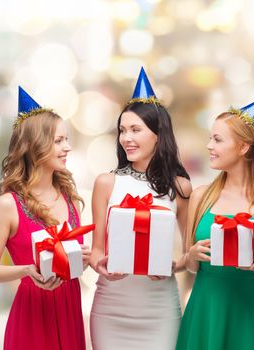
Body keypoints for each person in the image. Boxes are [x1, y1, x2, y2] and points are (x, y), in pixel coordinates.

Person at [176, 89, 254, 350]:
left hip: (250, 309)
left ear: (243, 147)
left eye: (217, 140)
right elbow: (191, 265)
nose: (209, 146)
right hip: (206, 307)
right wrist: (193, 255)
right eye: (210, 138)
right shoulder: (200, 196)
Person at [89, 68, 192, 350]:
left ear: (158, 135)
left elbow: (191, 256)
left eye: (136, 129)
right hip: (111, 308)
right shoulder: (106, 183)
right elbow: (97, 249)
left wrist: (175, 265)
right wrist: (99, 263)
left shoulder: (180, 187)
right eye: (122, 130)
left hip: (160, 309)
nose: (126, 138)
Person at [0, 86, 90, 350]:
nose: (68, 147)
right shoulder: (8, 205)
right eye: (59, 141)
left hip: (69, 308)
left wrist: (81, 261)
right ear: (35, 146)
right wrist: (27, 271)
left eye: (67, 139)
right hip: (32, 315)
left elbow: (69, 265)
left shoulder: (70, 197)